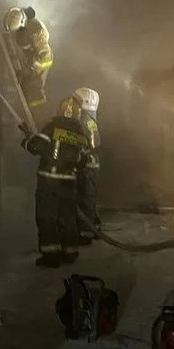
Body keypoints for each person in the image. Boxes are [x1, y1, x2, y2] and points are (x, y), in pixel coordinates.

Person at [21, 96, 89, 268]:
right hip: (69, 184)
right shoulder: (80, 132)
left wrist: (26, 142)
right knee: (68, 218)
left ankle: (51, 256)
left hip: (49, 182)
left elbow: (38, 148)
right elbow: (83, 160)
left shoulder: (52, 127)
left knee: (47, 218)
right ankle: (70, 252)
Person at [3, 6, 54, 108]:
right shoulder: (17, 20)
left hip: (41, 60)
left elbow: (46, 58)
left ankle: (36, 112)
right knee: (25, 86)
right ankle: (24, 107)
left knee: (34, 89)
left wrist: (30, 69)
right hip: (31, 56)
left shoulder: (36, 32)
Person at [73, 87, 101, 245]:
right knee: (88, 198)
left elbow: (88, 143)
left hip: (85, 166)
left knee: (84, 198)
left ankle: (85, 233)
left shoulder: (84, 121)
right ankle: (93, 226)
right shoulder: (91, 119)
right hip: (91, 164)